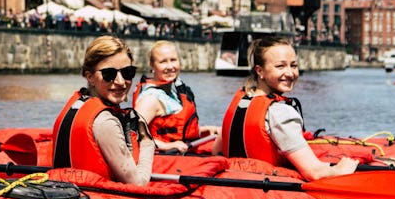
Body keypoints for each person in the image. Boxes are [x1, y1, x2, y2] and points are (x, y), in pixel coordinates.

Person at [217, 36, 358, 180]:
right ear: (260, 71)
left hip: (234, 180)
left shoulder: (241, 99)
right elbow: (315, 173)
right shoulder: (280, 112)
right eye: (280, 66)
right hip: (265, 188)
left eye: (294, 65)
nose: (290, 73)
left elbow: (217, 150)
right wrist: (342, 169)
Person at [52, 35, 154, 186]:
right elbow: (137, 184)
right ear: (90, 77)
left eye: (127, 72)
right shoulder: (105, 122)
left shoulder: (78, 103)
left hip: (68, 191)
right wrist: (147, 143)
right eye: (109, 74)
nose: (120, 82)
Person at [132, 41, 221, 154]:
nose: (170, 66)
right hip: (164, 160)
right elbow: (132, 133)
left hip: (180, 153)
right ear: (152, 65)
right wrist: (165, 146)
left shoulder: (171, 93)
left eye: (173, 60)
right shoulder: (150, 99)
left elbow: (176, 129)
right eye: (163, 62)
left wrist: (206, 130)